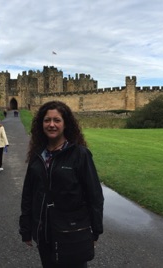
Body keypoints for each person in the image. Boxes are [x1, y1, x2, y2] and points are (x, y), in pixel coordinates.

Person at [19, 101, 104, 268]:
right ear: (41, 124)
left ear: (65, 124)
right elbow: (28, 194)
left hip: (72, 232)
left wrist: (95, 231)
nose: (51, 124)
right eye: (47, 120)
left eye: (57, 120)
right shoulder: (37, 156)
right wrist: (26, 228)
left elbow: (94, 195)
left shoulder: (80, 154)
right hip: (45, 233)